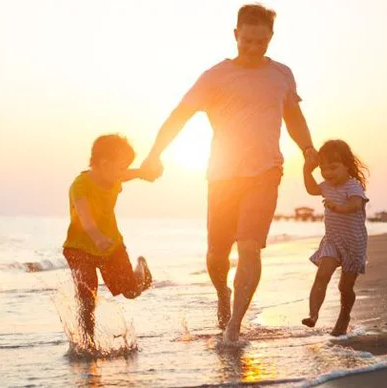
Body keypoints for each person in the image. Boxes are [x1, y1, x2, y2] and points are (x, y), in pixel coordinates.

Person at [140, 4, 318, 343]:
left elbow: (293, 116)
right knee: (217, 254)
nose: (253, 48)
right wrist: (154, 155)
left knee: (250, 247)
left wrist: (308, 148)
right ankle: (223, 292)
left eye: (261, 42)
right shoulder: (214, 77)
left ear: (271, 38)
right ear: (236, 35)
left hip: (266, 173)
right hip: (222, 175)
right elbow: (179, 115)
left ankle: (235, 324)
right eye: (247, 41)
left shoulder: (282, 74)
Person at [62, 134, 154, 349]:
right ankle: (88, 344)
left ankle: (141, 270)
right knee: (87, 298)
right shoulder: (80, 185)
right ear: (104, 164)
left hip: (111, 247)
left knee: (131, 292)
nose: (123, 173)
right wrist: (96, 237)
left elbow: (127, 175)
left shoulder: (113, 178)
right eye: (120, 167)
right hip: (80, 248)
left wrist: (141, 173)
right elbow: (84, 216)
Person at [301, 140, 369, 336]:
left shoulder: (353, 186)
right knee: (322, 275)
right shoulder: (326, 186)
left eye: (333, 167)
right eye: (323, 168)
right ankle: (313, 315)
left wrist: (338, 208)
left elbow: (355, 205)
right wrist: (307, 171)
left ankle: (344, 316)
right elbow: (312, 189)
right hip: (332, 241)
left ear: (347, 165)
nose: (328, 173)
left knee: (344, 287)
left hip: (353, 243)